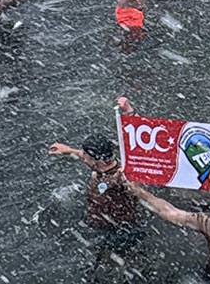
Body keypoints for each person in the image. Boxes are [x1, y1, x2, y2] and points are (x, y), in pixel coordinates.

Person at [47, 100, 144, 255]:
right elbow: (82, 155)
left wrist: (130, 113)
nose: (82, 157)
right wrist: (67, 150)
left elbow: (140, 147)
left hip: (120, 231)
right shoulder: (100, 165)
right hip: (100, 224)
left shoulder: (121, 176)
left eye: (85, 155)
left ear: (95, 159)